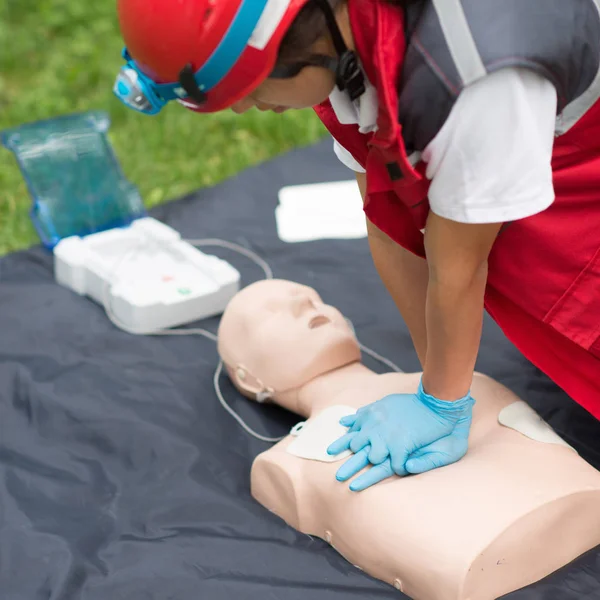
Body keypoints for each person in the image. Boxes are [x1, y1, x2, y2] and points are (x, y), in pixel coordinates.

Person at [114, 0, 600, 489]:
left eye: (249, 86)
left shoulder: (477, 76)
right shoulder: (346, 46)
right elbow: (389, 218)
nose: (242, 105)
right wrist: (443, 384)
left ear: (300, 40)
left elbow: (459, 270)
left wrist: (442, 403)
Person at [216, 278, 600, 600]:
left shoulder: (464, 386)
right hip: (475, 569)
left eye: (315, 299)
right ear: (248, 378)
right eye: (273, 313)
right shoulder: (286, 466)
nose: (306, 304)